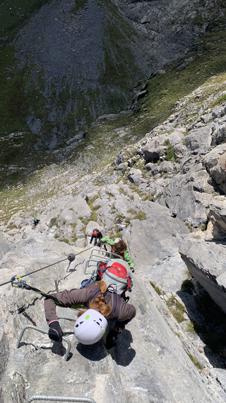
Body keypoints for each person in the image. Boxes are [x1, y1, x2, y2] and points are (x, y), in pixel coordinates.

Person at [44, 279, 136, 348]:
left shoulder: (122, 312)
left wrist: (116, 330)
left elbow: (132, 311)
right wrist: (53, 323)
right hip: (97, 288)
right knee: (86, 284)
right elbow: (50, 298)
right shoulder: (87, 294)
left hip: (109, 292)